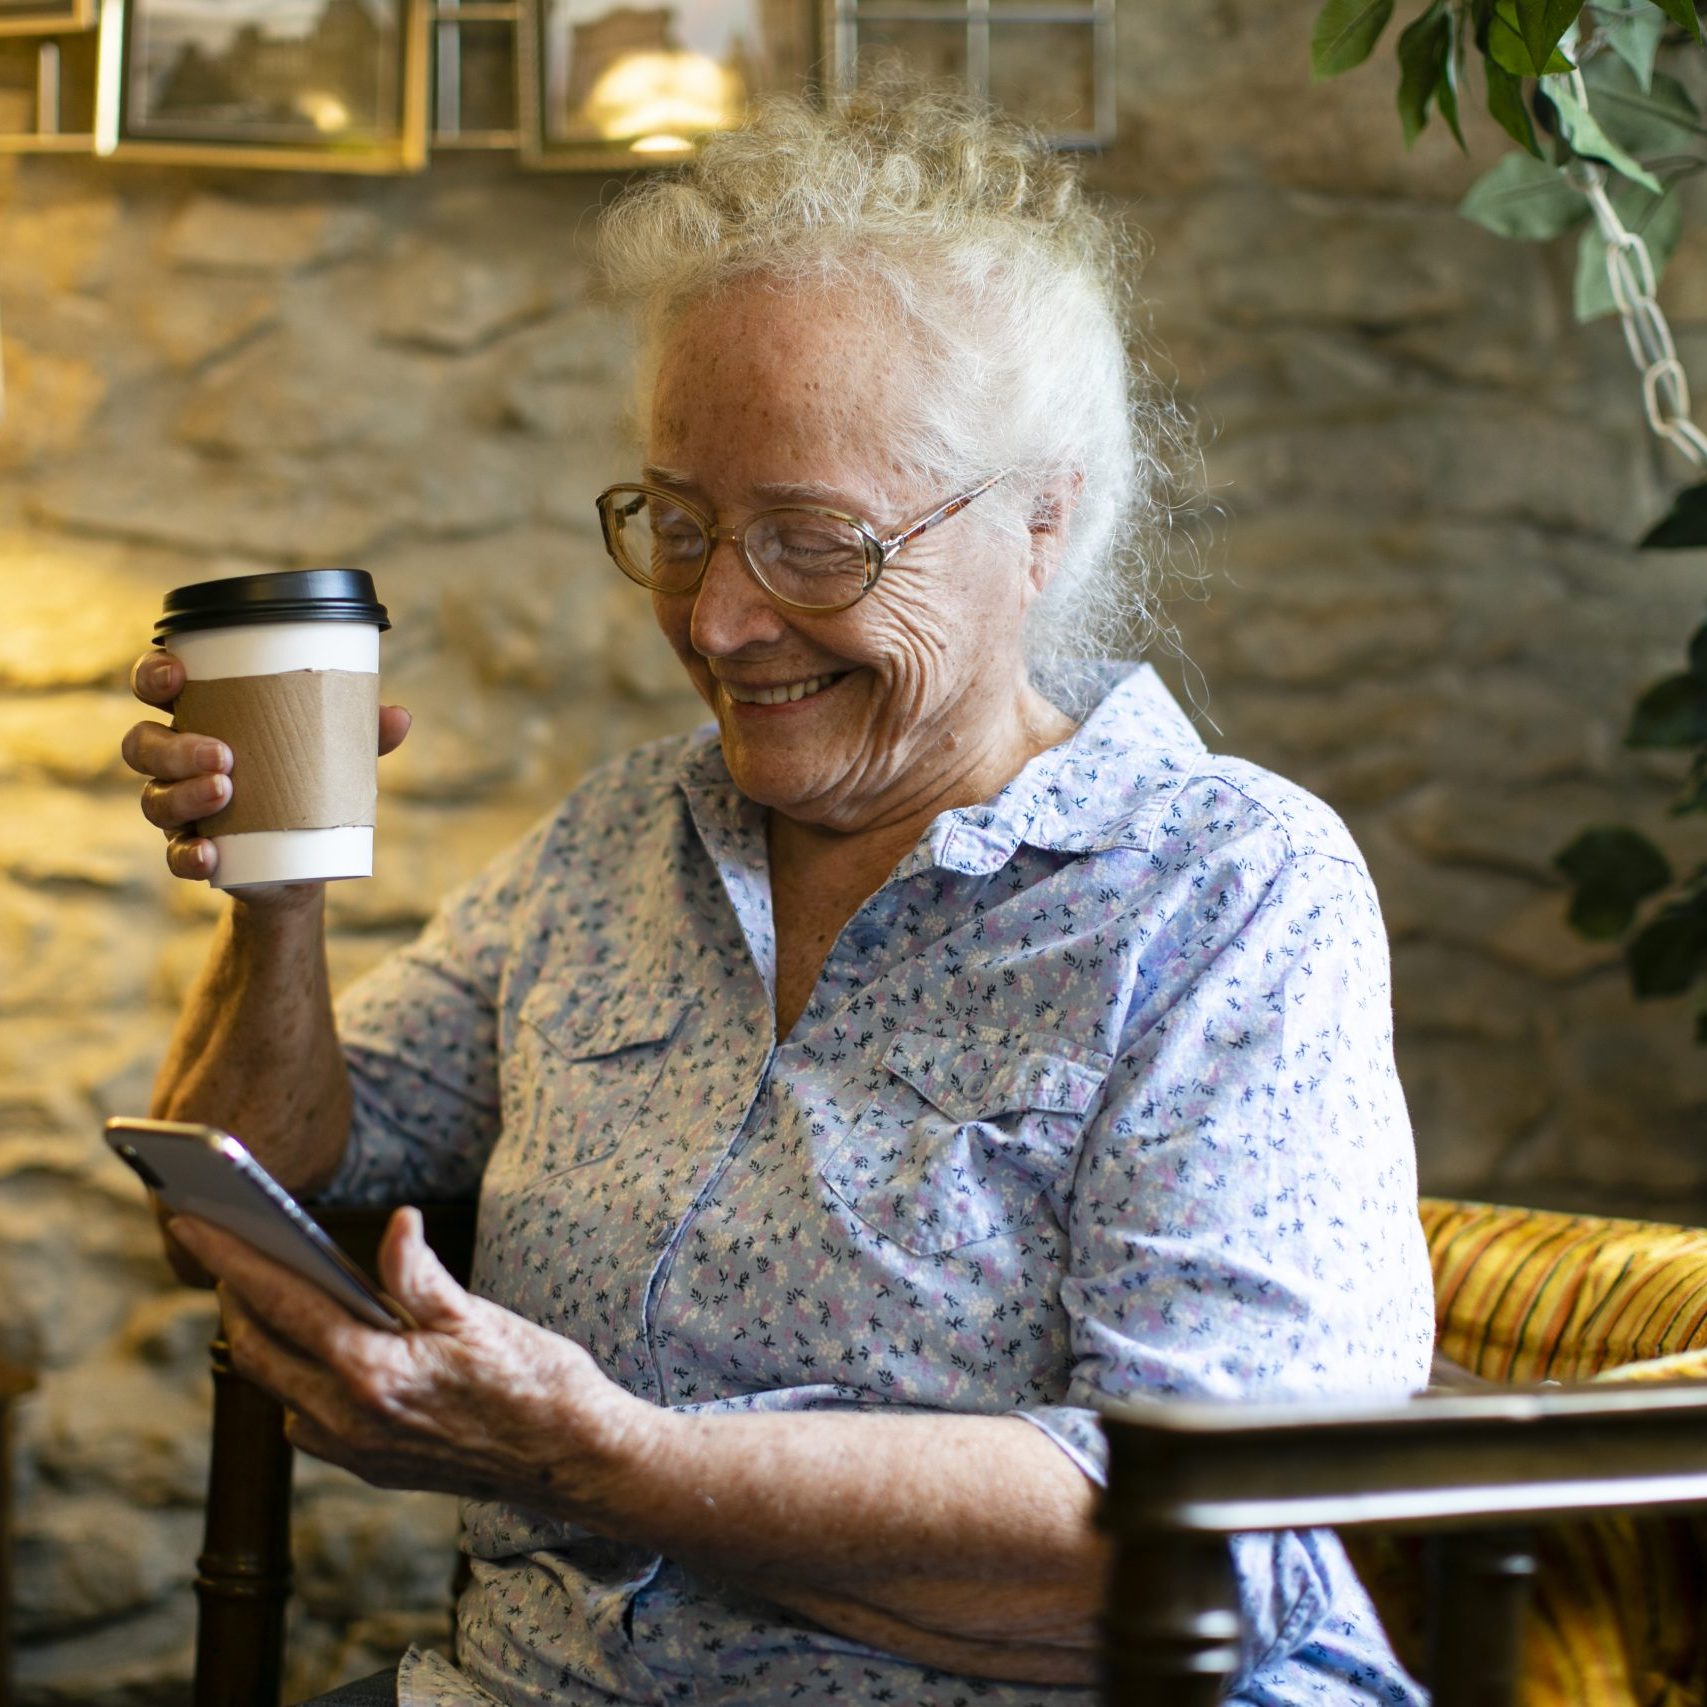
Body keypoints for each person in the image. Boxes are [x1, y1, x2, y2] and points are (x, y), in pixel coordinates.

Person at [122, 87, 1436, 1707]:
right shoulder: (618, 846)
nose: (723, 620)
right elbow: (244, 1188)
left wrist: (616, 1467)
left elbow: (1228, 1526)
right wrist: (281, 897)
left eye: (816, 543)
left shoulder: (1223, 895)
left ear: (1044, 521)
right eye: (678, 525)